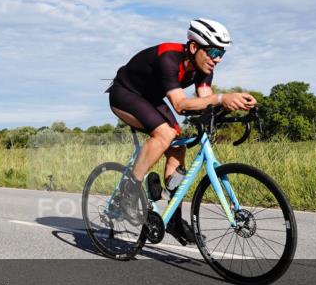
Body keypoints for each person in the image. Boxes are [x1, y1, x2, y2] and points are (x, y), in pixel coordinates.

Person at [106, 18, 256, 244]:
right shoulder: (168, 58)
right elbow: (180, 105)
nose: (217, 59)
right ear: (194, 47)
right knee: (165, 134)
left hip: (152, 99)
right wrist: (223, 98)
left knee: (178, 148)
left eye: (222, 53)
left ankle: (173, 219)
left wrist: (235, 107)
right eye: (214, 51)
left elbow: (206, 101)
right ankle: (128, 193)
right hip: (125, 94)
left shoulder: (205, 68)